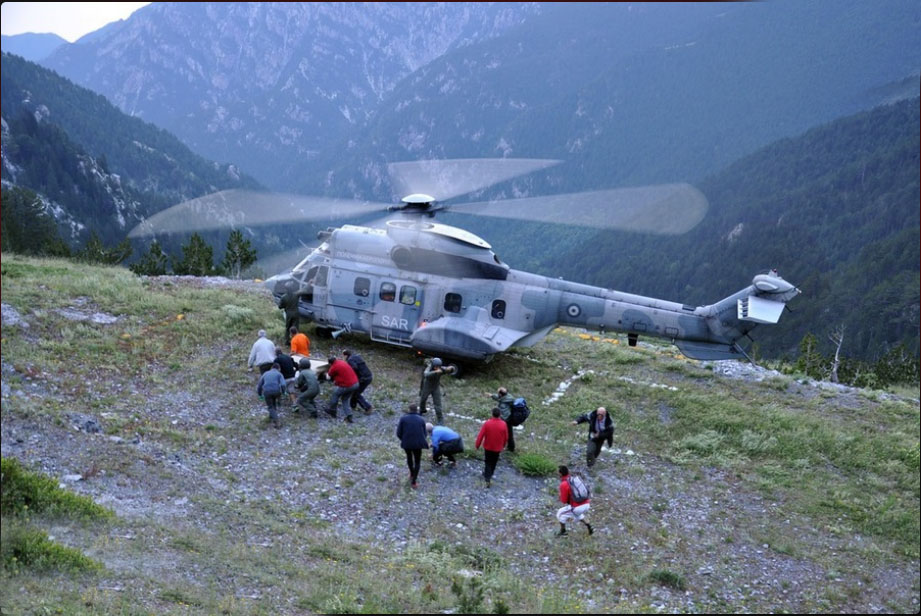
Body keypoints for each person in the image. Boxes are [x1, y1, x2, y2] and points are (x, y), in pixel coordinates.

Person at [396, 404, 428, 489]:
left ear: (409, 410)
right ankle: (414, 481)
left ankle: (411, 473)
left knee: (409, 457)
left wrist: (404, 440)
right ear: (417, 410)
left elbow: (398, 433)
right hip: (418, 444)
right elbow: (425, 433)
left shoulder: (403, 419)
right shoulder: (421, 419)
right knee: (417, 461)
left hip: (407, 444)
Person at [474, 408, 508, 487]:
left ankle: (487, 478)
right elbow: (506, 437)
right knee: (494, 462)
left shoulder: (487, 423)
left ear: (492, 414)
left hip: (488, 447)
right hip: (497, 448)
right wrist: (503, 445)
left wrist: (477, 445)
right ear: (500, 414)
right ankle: (490, 473)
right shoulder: (503, 424)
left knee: (488, 462)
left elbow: (480, 436)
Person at [556, 465, 593, 536]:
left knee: (560, 514)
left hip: (577, 506)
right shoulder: (573, 479)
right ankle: (589, 526)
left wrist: (560, 496)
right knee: (577, 514)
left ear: (560, 473)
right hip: (586, 504)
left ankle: (563, 531)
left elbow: (563, 501)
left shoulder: (563, 484)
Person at [419, 357, 454, 424]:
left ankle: (440, 419)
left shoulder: (441, 369)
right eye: (435, 367)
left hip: (435, 387)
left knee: (438, 404)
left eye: (438, 367)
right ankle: (422, 410)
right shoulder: (429, 368)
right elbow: (426, 374)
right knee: (423, 399)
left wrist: (451, 368)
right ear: (433, 365)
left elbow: (451, 369)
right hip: (427, 387)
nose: (437, 368)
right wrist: (435, 372)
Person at [324, 356, 359, 423]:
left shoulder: (334, 367)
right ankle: (349, 415)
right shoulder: (341, 361)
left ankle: (332, 410)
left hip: (347, 385)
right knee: (345, 399)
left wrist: (326, 374)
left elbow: (328, 377)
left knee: (335, 394)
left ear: (330, 363)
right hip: (355, 383)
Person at [256, 362, 286, 429]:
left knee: (270, 406)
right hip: (277, 391)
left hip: (267, 391)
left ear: (271, 368)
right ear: (279, 368)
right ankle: (272, 416)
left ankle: (277, 421)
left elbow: (259, 385)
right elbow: (283, 384)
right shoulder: (279, 374)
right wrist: (284, 392)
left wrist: (259, 394)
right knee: (273, 403)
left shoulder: (265, 373)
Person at [343, 349, 373, 414]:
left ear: (345, 355)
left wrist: (351, 375)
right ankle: (353, 406)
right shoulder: (356, 356)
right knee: (355, 391)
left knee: (356, 393)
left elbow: (355, 367)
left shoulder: (350, 360)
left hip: (364, 378)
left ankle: (368, 407)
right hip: (369, 376)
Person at [489, 386, 517, 453]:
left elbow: (499, 399)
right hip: (506, 418)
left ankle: (508, 447)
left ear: (501, 394)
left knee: (507, 434)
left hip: (506, 419)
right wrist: (491, 395)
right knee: (508, 434)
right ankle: (510, 447)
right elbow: (498, 397)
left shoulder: (504, 400)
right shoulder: (506, 397)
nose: (498, 394)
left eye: (498, 393)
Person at [279, 279, 300, 345]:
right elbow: (304, 290)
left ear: (286, 289)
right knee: (295, 328)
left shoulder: (283, 297)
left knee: (288, 328)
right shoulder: (296, 295)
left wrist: (285, 306)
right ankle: (296, 341)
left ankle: (287, 341)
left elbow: (280, 307)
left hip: (288, 314)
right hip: (296, 313)